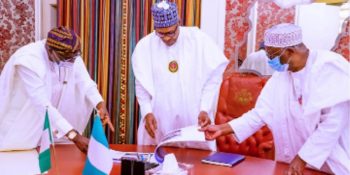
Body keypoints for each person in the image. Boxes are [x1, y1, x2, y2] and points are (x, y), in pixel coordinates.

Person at [201, 23, 350, 174]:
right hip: (294, 165)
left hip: (329, 164)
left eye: (273, 56)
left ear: (290, 51)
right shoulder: (281, 76)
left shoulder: (329, 67)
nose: (271, 62)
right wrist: (221, 129)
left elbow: (332, 124)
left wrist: (303, 158)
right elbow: (259, 114)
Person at [0, 26, 114, 153]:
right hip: (23, 129)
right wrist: (74, 136)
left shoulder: (70, 52)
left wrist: (100, 104)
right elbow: (42, 104)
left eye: (74, 57)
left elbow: (85, 82)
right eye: (65, 59)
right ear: (49, 50)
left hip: (54, 131)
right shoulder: (28, 60)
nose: (71, 62)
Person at [132, 0, 228, 147]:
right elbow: (141, 85)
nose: (167, 38)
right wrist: (146, 112)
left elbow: (213, 78)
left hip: (193, 118)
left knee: (196, 166)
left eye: (171, 32)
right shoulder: (145, 46)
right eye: (161, 34)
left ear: (178, 22)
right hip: (159, 121)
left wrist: (205, 108)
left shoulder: (198, 39)